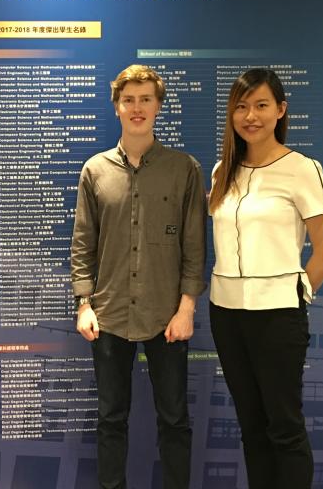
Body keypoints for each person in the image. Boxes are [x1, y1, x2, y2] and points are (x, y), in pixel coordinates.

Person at [71, 64, 206, 489]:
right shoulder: (94, 171)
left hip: (167, 316)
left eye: (146, 99)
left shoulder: (183, 168)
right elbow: (82, 243)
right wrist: (84, 303)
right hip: (108, 316)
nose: (137, 107)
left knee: (174, 419)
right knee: (111, 419)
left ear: (158, 106)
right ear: (116, 106)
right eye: (129, 99)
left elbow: (194, 246)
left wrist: (186, 307)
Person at [207, 68, 323, 489]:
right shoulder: (220, 172)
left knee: (284, 425)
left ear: (280, 110)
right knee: (251, 424)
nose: (251, 116)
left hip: (278, 315)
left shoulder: (302, 169)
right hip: (226, 314)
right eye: (241, 107)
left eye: (261, 105)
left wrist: (294, 297)